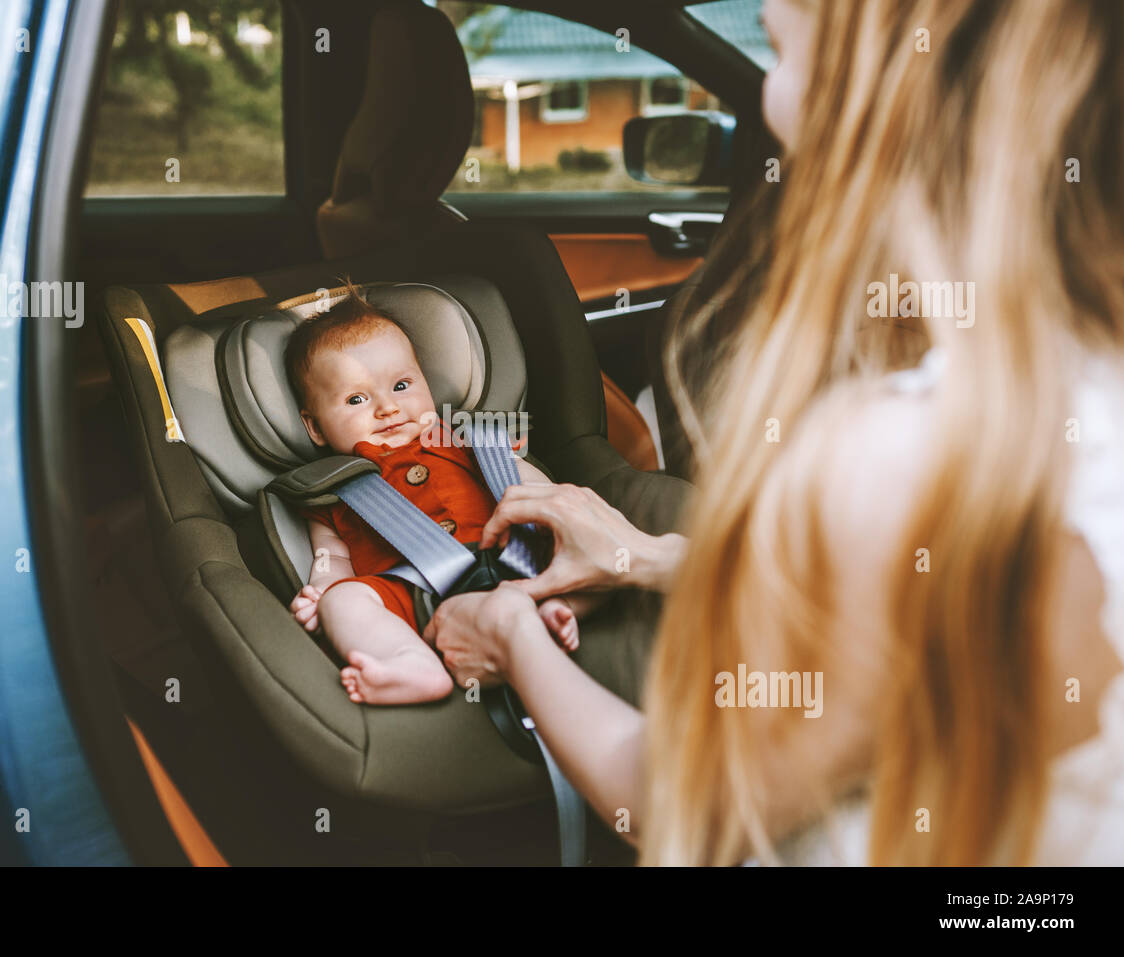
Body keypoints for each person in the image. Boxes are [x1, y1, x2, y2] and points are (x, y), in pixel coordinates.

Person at [424, 0, 1124, 865]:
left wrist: (512, 637)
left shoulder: (897, 462)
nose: (767, 8)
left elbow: (678, 808)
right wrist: (643, 553)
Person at [284, 284, 596, 705]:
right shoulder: (335, 487)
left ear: (426, 385)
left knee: (582, 546)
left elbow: (521, 481)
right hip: (414, 596)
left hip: (515, 559)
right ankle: (410, 661)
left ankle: (555, 610)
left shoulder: (469, 441)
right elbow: (332, 556)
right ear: (315, 427)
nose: (387, 409)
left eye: (401, 386)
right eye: (356, 399)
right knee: (344, 602)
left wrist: (557, 512)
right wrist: (322, 588)